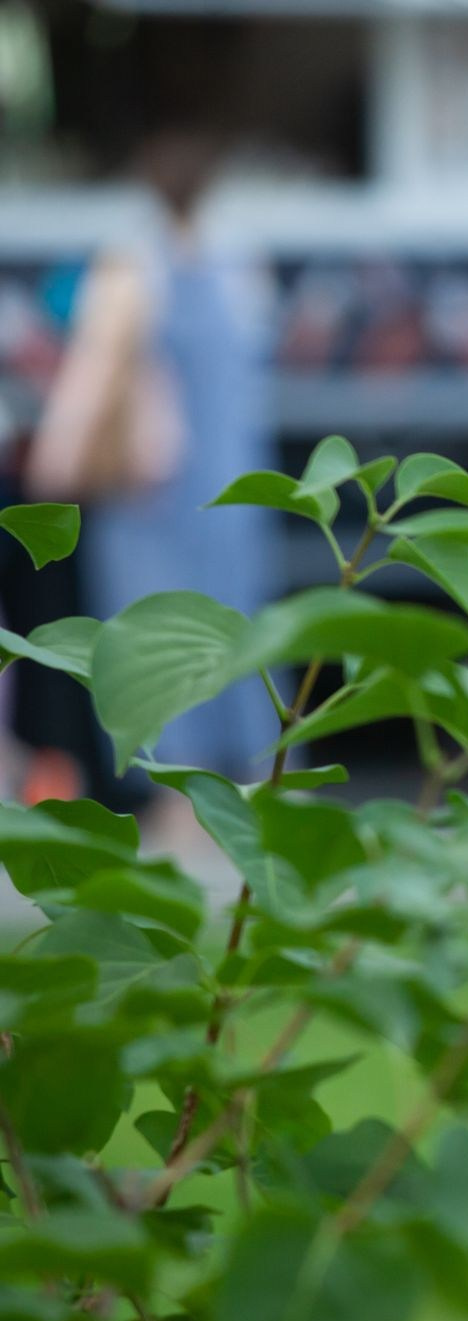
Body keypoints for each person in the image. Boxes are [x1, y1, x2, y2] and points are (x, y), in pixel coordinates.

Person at [28, 129, 277, 831]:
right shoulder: (240, 261)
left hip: (153, 487)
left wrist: (56, 461)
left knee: (151, 635)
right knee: (235, 626)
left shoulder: (132, 262)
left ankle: (175, 801)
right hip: (235, 481)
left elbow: (94, 374)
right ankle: (254, 784)